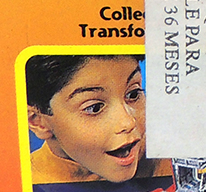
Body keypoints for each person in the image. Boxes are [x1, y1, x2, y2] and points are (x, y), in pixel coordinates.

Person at [26, 54, 170, 184]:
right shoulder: (27, 183)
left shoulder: (169, 159)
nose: (129, 123)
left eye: (133, 94)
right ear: (37, 121)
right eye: (94, 108)